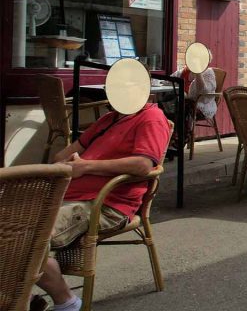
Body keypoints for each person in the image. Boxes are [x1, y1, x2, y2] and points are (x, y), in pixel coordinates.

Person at [36, 103, 171, 311]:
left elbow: (143, 165)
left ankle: (67, 303)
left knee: (27, 239)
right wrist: (68, 163)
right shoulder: (108, 119)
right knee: (10, 225)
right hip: (67, 197)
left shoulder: (151, 117)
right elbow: (59, 157)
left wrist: (86, 166)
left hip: (105, 203)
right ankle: (29, 289)